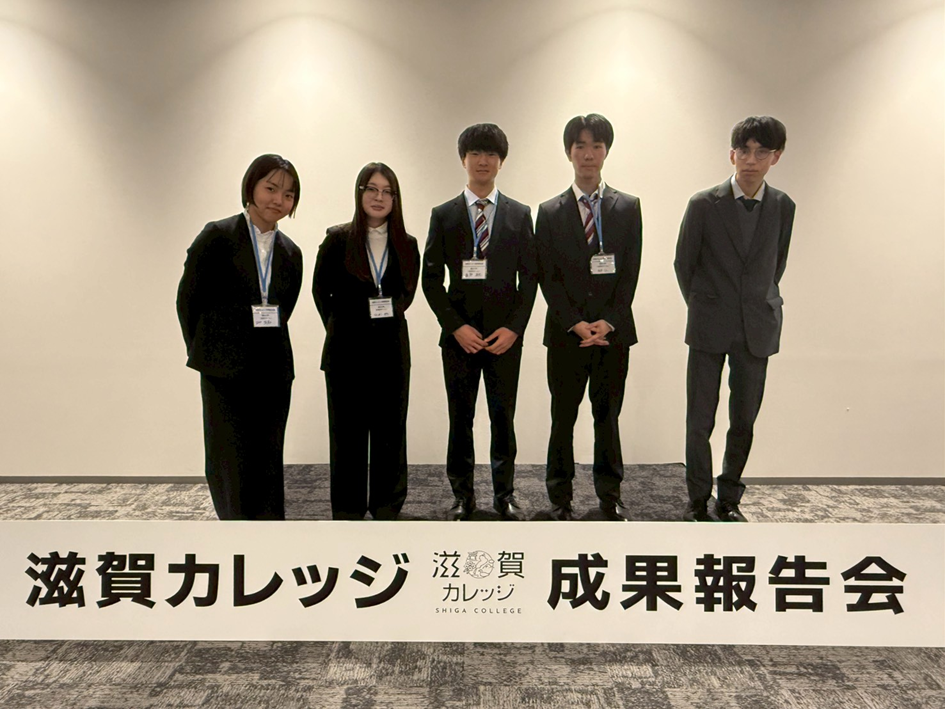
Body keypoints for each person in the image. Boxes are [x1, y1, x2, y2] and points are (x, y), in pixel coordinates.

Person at [674, 116, 795, 522]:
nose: (751, 160)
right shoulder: (702, 204)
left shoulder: (783, 206)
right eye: (744, 150)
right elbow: (684, 263)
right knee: (700, 419)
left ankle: (729, 498)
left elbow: (775, 265)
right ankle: (697, 499)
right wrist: (705, 305)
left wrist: (754, 302)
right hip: (709, 324)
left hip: (757, 327)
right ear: (732, 154)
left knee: (743, 419)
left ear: (776, 157)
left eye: (762, 152)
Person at [176, 154, 303, 520]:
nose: (278, 200)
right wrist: (206, 351)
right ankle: (234, 527)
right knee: (228, 455)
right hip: (224, 369)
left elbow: (285, 307)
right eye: (271, 188)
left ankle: (269, 529)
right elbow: (188, 300)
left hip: (273, 369)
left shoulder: (291, 252)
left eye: (289, 194)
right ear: (251, 188)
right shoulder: (217, 236)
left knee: (268, 454)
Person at [422, 123, 538, 521]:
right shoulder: (444, 215)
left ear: (501, 161)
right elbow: (431, 280)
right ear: (463, 159)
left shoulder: (520, 215)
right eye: (475, 153)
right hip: (460, 339)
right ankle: (462, 496)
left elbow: (530, 279)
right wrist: (455, 327)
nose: (483, 161)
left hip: (505, 338)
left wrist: (514, 329)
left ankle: (505, 495)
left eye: (490, 154)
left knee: (503, 419)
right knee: (461, 419)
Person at [535, 114, 643, 522]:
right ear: (569, 152)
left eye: (596, 145)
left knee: (607, 418)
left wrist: (608, 321)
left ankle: (609, 496)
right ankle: (559, 497)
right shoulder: (549, 212)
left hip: (613, 335)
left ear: (606, 151)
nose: (588, 154)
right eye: (580, 145)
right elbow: (546, 276)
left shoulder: (627, 207)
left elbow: (630, 272)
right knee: (562, 418)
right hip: (567, 335)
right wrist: (575, 322)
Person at [313, 163, 420, 520]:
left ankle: (388, 506)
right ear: (360, 193)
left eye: (387, 191)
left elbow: (407, 293)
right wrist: (343, 326)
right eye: (371, 189)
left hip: (391, 352)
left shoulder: (407, 244)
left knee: (391, 433)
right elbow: (320, 292)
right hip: (346, 352)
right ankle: (348, 509)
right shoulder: (337, 239)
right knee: (347, 436)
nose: (379, 197)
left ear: (395, 199)